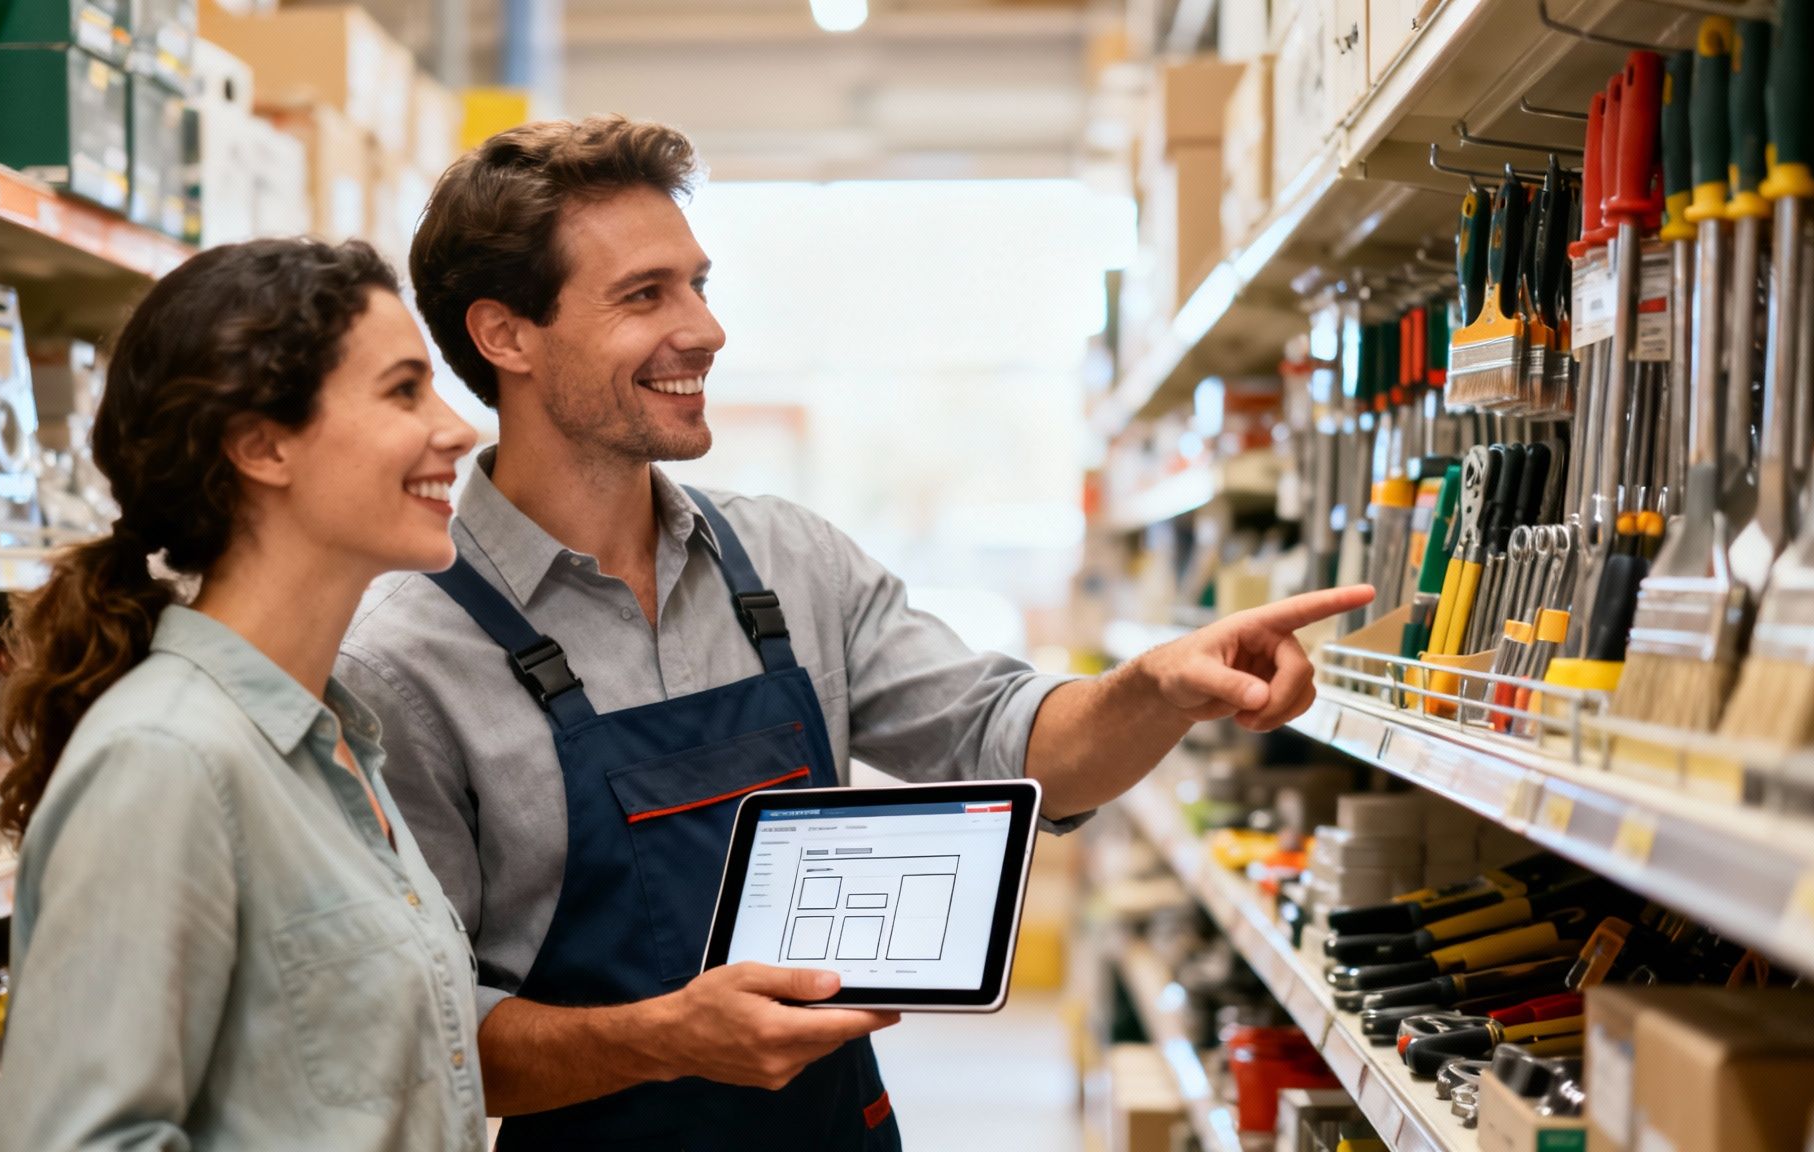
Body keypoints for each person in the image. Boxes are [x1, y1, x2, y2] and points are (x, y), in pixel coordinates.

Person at [335, 115, 1372, 1152]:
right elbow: (421, 1035)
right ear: (504, 334)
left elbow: (1009, 744)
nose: (704, 329)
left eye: (698, 284)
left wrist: (1157, 689)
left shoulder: (788, 565)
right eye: (644, 295)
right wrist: (665, 1039)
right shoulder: (402, 660)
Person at [0, 238, 486, 1150]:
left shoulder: (337, 747)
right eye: (404, 390)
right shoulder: (167, 760)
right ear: (262, 446)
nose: (457, 428)